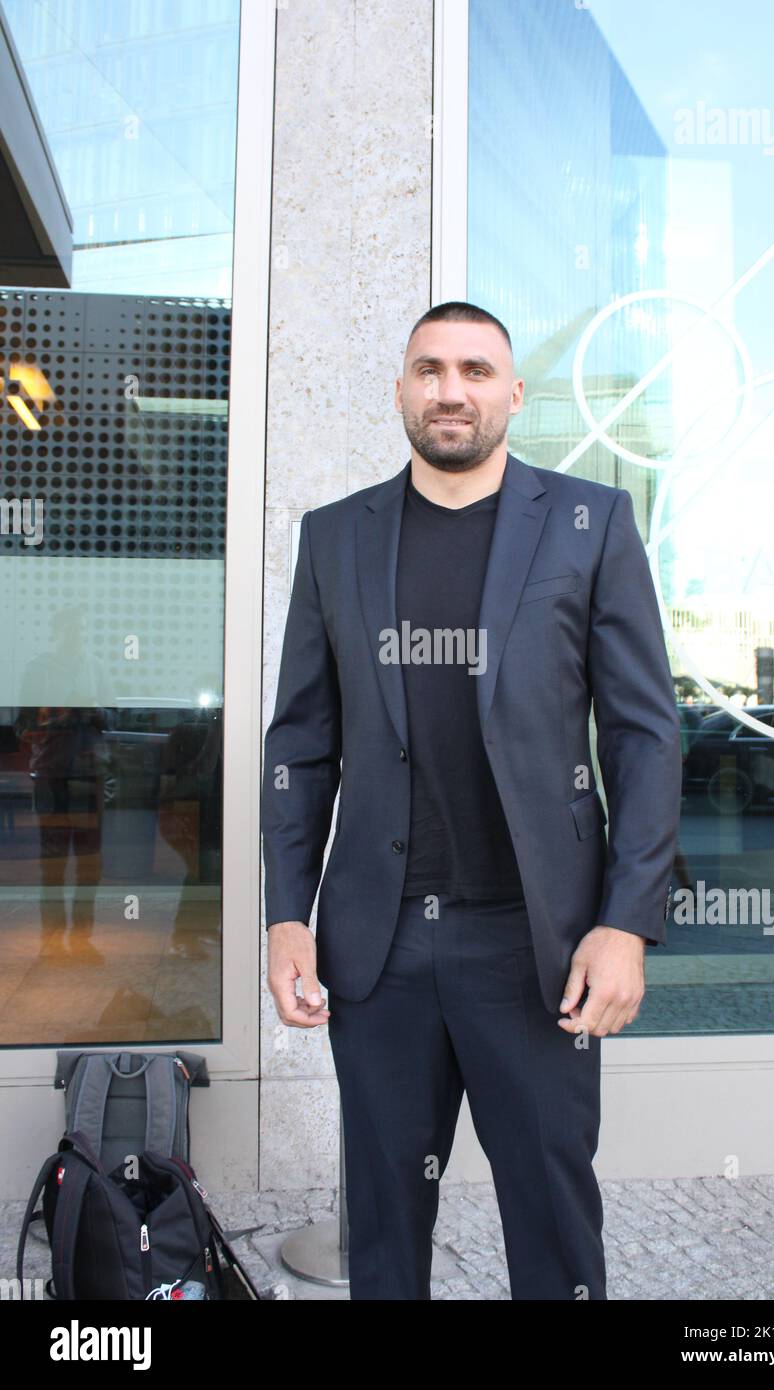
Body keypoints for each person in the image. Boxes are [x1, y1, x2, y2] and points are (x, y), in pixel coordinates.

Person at [261, 301, 682, 1299]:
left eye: (475, 371)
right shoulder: (335, 539)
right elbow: (301, 740)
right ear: (403, 387)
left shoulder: (589, 524)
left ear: (512, 394)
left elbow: (642, 734)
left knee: (549, 1217)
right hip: (381, 946)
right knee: (384, 1224)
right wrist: (286, 910)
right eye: (430, 369)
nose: (452, 390)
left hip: (535, 948)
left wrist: (624, 923)